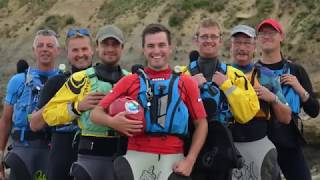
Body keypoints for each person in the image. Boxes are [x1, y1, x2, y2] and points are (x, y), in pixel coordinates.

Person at [90, 23, 208, 180]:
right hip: (136, 157)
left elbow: (202, 124)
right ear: (144, 49)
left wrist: (190, 160)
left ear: (170, 48)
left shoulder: (186, 83)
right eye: (151, 46)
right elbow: (95, 113)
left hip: (173, 159)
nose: (156, 51)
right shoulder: (130, 81)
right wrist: (113, 122)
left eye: (161, 45)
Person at [40, 24, 129, 180]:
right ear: (97, 47)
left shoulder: (131, 80)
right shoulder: (80, 79)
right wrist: (77, 107)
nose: (110, 49)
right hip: (90, 157)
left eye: (114, 44)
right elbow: (49, 114)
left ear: (122, 48)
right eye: (105, 44)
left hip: (123, 157)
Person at [178, 18, 260, 180]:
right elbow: (173, 114)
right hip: (189, 147)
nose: (209, 41)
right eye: (204, 36)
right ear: (196, 40)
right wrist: (189, 87)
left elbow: (247, 114)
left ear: (221, 41)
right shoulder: (182, 75)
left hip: (221, 147)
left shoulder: (235, 76)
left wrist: (227, 86)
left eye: (213, 37)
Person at [256, 18, 320, 180]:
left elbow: (313, 111)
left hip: (290, 142)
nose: (267, 36)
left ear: (281, 37)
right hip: (262, 143)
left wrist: (299, 88)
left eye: (271, 33)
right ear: (257, 39)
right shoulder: (252, 72)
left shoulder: (296, 70)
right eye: (262, 33)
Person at [29, 28, 94, 180]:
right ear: (67, 53)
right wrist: (64, 98)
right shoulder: (56, 82)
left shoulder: (103, 79)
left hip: (94, 158)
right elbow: (34, 124)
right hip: (61, 162)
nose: (80, 54)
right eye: (75, 50)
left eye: (84, 49)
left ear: (92, 50)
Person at [229, 25, 291, 180]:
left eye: (247, 43)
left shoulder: (266, 76)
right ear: (230, 46)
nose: (242, 48)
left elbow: (286, 118)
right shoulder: (222, 74)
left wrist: (273, 98)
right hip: (230, 147)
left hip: (259, 146)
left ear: (254, 47)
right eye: (238, 43)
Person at [0, 29, 60, 180]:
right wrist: (0, 152)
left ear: (57, 51)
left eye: (50, 45)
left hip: (52, 151)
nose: (45, 49)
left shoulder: (65, 81)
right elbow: (6, 119)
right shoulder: (18, 81)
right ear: (34, 50)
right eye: (40, 45)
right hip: (22, 151)